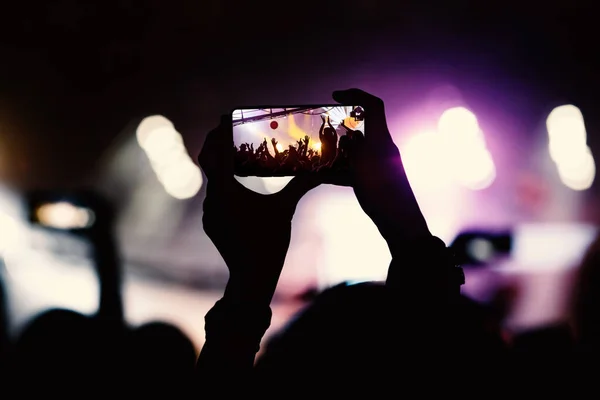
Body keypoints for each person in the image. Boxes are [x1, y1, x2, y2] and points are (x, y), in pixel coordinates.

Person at [195, 89, 507, 394]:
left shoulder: (300, 350)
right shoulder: (458, 369)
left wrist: (250, 286)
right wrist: (410, 233)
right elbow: (463, 359)